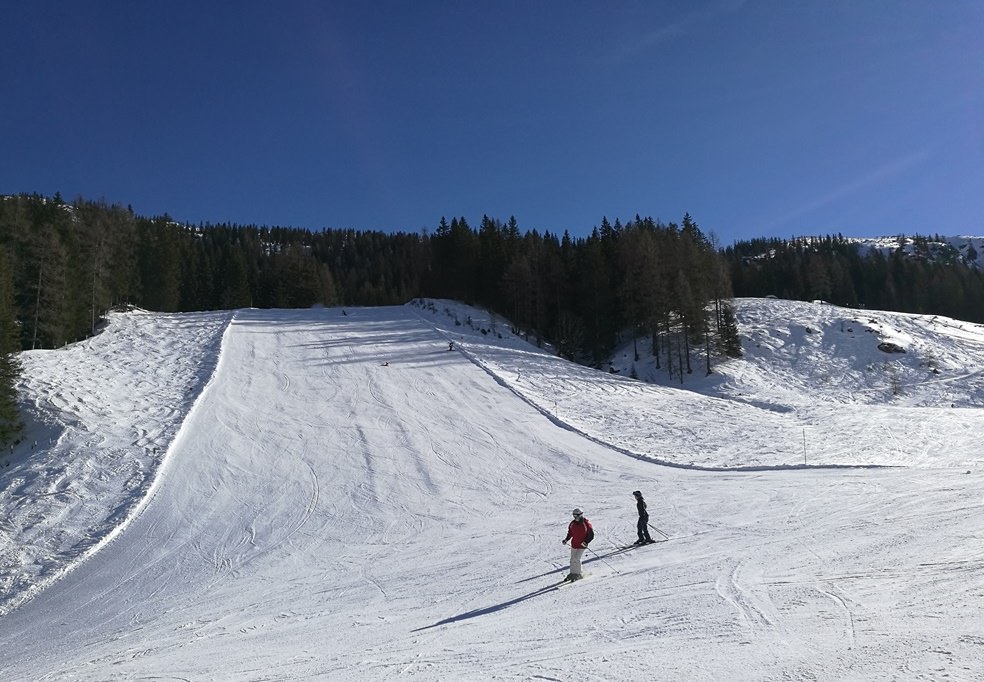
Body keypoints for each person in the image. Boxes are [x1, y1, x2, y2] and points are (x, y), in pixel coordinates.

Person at [561, 507, 594, 581]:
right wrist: (566, 539)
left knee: (577, 559)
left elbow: (591, 535)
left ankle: (578, 574)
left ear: (581, 515)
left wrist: (586, 542)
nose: (575, 517)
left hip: (582, 545)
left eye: (577, 515)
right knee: (572, 559)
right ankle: (572, 573)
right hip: (574, 544)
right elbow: (570, 533)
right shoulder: (572, 523)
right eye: (574, 515)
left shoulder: (586, 524)